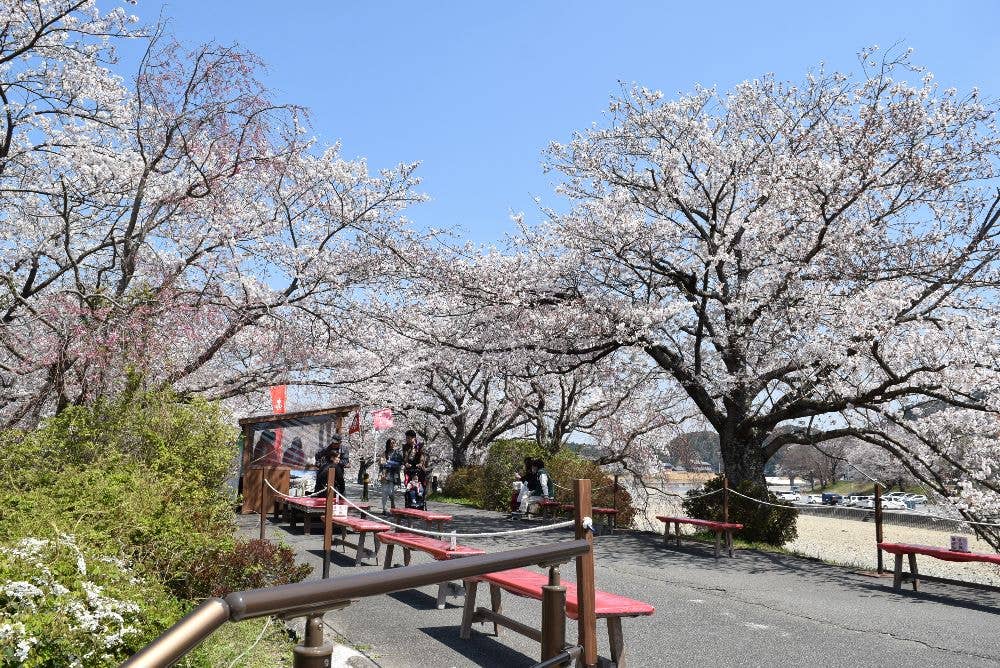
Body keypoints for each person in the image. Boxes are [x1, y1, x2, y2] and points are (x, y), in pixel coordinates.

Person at [378, 438, 403, 514]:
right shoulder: (384, 453)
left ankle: (392, 504)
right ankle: (384, 509)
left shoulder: (397, 453)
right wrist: (387, 463)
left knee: (391, 492)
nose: (392, 444)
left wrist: (388, 463)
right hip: (385, 475)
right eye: (391, 443)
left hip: (393, 475)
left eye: (393, 443)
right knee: (384, 492)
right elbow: (381, 463)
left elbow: (399, 463)